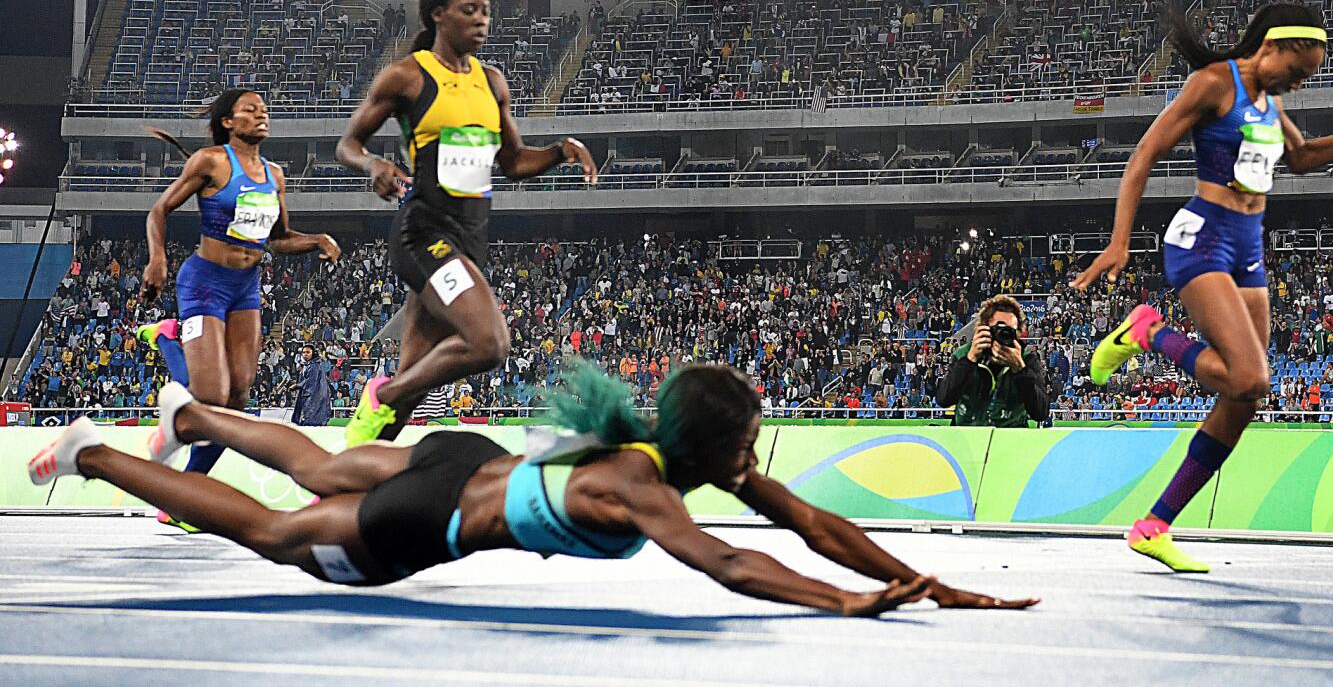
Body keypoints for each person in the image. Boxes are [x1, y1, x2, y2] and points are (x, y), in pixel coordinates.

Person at [27, 363, 1038, 616]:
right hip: (429, 517)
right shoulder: (647, 488)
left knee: (316, 461)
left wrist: (930, 583)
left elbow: (810, 521)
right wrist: (853, 603)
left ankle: (188, 414)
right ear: (722, 448)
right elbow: (729, 560)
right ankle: (92, 453)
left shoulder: (667, 453)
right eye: (754, 441)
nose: (760, 457)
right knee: (272, 529)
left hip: (462, 458)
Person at [1070, 3, 1333, 572]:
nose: (1299, 85)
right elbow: (1144, 154)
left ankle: (1154, 526)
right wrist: (1120, 240)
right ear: (1271, 47)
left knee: (1245, 397)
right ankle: (1148, 332)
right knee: (1251, 375)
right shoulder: (1212, 85)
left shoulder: (1271, 107)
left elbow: (1303, 158)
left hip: (1248, 249)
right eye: (1298, 73)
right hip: (1201, 241)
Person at [335, 0, 596, 447]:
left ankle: (343, 481)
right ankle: (384, 395)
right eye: (469, 10)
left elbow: (514, 162)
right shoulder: (408, 77)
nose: (482, 21)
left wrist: (561, 151)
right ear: (438, 15)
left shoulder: (492, 81)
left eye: (487, 12)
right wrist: (373, 166)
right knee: (489, 344)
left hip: (469, 241)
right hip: (424, 234)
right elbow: (348, 144)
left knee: (416, 375)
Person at [137, 91, 339, 532]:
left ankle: (180, 501)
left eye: (264, 109)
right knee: (210, 399)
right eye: (250, 109)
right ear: (228, 122)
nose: (260, 114)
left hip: (246, 287)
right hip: (205, 282)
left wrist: (317, 240)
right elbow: (160, 210)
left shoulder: (275, 175)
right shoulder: (211, 162)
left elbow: (279, 239)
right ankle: (167, 337)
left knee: (238, 402)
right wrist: (157, 259)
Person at [934, 294, 1049, 427]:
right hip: (968, 435)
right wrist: (970, 360)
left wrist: (1020, 370)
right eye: (999, 328)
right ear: (984, 328)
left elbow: (1040, 413)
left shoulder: (1027, 359)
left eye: (1010, 330)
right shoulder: (963, 355)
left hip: (1010, 438)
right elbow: (944, 399)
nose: (1004, 334)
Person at [290, 344, 332, 427]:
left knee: (311, 420)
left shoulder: (314, 365)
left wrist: (297, 386)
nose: (305, 354)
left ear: (313, 353)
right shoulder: (309, 365)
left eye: (308, 352)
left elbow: (310, 381)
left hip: (314, 396)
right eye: (304, 352)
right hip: (312, 395)